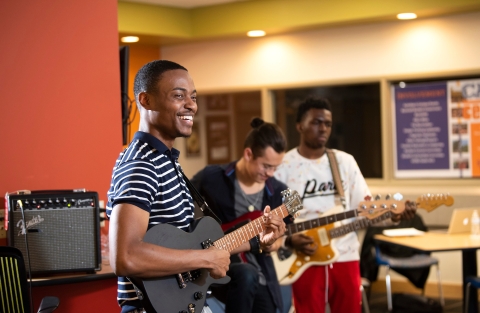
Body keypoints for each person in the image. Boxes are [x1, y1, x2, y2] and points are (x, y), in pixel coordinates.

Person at [106, 60, 285, 313]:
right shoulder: (141, 164)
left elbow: (195, 247)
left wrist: (257, 242)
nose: (191, 105)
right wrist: (206, 258)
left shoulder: (166, 162)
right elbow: (125, 256)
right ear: (146, 101)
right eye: (178, 96)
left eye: (193, 96)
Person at [274, 96, 416, 313]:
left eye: (328, 124)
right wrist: (289, 240)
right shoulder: (283, 166)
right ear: (299, 125)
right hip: (303, 258)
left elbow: (365, 208)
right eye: (316, 122)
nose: (323, 128)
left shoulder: (344, 162)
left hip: (345, 255)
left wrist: (393, 215)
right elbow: (274, 219)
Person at [191, 118, 289, 313]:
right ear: (248, 153)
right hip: (215, 269)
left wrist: (273, 242)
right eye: (266, 166)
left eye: (275, 168)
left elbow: (280, 238)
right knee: (245, 274)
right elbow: (184, 206)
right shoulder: (212, 178)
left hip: (261, 274)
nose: (271, 173)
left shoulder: (278, 191)